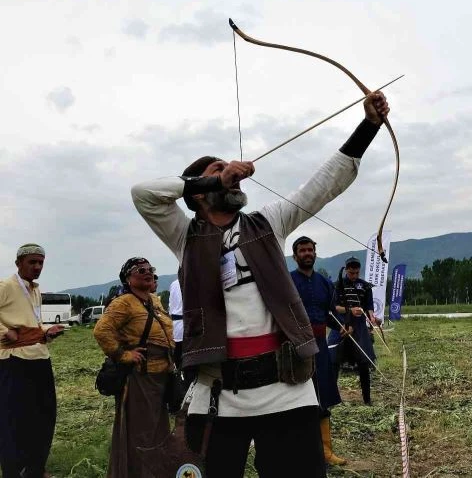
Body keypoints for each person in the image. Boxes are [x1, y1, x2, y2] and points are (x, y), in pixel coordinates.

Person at [130, 92, 390, 477]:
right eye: (219, 171)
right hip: (218, 392)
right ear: (197, 193)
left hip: (286, 387)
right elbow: (144, 194)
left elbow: (322, 185)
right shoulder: (185, 234)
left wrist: (368, 126)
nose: (231, 172)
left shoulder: (268, 222)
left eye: (226, 168)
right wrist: (213, 177)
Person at [93, 257, 174, 478]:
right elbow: (101, 331)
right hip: (140, 378)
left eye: (150, 269)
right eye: (141, 270)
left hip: (160, 376)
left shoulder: (154, 300)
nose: (148, 272)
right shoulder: (123, 303)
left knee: (158, 430)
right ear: (128, 278)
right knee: (141, 433)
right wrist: (123, 354)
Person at [0, 244, 64, 478]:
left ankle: (35, 469)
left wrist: (46, 331)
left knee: (45, 415)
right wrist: (5, 332)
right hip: (14, 360)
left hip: (39, 358)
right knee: (14, 419)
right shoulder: (6, 286)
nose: (37, 267)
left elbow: (31, 322)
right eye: (32, 262)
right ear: (19, 263)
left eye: (41, 263)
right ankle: (12, 471)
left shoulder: (34, 289)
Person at [290, 236, 346, 466]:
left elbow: (331, 313)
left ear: (315, 253)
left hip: (321, 347)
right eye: (302, 250)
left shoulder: (324, 282)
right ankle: (299, 453)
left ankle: (325, 452)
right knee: (297, 400)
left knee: (322, 396)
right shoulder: (287, 281)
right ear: (295, 256)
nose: (307, 253)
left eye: (310, 250)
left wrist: (343, 325)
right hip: (295, 349)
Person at [333, 256, 378, 405]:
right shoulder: (337, 285)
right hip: (341, 324)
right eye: (351, 273)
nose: (354, 276)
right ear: (346, 270)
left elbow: (369, 307)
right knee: (334, 360)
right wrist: (350, 310)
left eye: (357, 273)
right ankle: (333, 399)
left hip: (359, 326)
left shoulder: (365, 286)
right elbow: (334, 308)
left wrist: (372, 317)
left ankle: (367, 399)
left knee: (364, 362)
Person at [167, 276, 189, 413]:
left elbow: (170, 307)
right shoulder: (192, 280)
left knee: (177, 368)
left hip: (175, 329)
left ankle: (175, 401)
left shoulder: (173, 284)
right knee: (189, 368)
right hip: (188, 329)